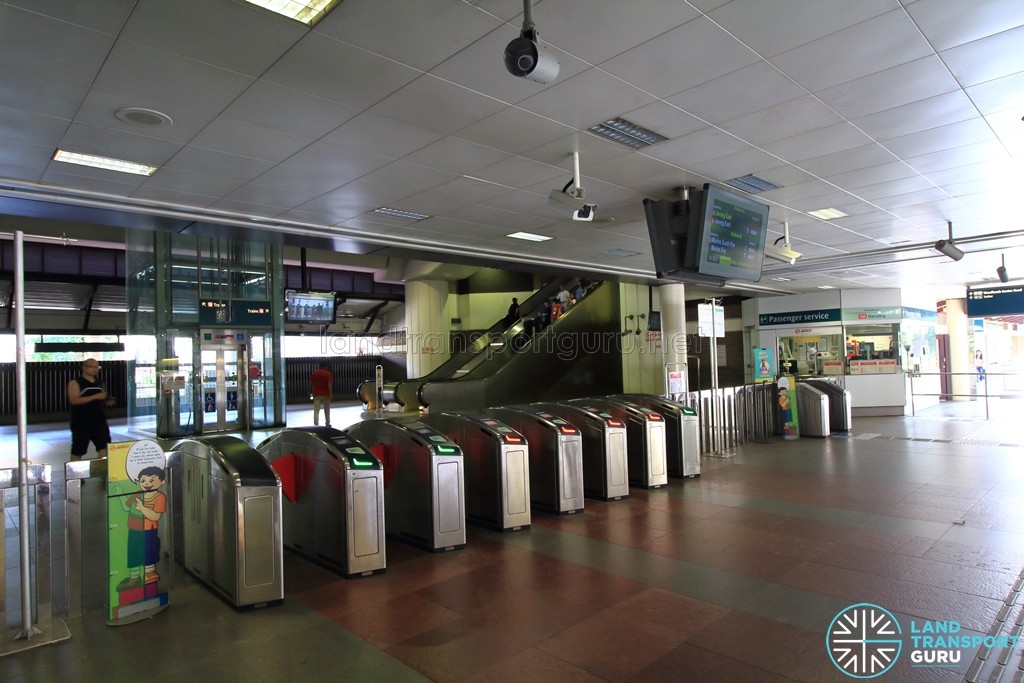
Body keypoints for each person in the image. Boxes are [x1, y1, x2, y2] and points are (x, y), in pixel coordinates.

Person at [119, 466, 167, 588]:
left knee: (149, 551)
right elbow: (126, 507)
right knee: (133, 552)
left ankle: (149, 574)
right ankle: (134, 577)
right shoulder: (137, 494)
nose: (146, 484)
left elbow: (156, 516)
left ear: (162, 482)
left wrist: (143, 508)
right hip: (134, 528)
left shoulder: (160, 497)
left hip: (149, 529)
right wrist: (118, 493)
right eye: (143, 480)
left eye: (151, 481)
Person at [67, 358, 115, 460]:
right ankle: (77, 474)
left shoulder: (100, 383)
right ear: (84, 368)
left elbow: (101, 397)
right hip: (81, 421)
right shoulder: (75, 383)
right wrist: (95, 396)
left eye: (97, 367)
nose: (95, 369)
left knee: (105, 448)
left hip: (99, 419)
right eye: (91, 367)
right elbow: (74, 400)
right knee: (78, 450)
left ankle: (99, 470)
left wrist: (106, 400)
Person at [310, 361, 333, 427]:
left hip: (316, 394)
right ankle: (327, 423)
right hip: (326, 394)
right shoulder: (327, 373)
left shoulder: (314, 373)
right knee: (327, 410)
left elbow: (312, 384)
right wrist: (330, 393)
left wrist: (313, 391)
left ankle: (316, 424)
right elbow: (329, 384)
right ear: (325, 366)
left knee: (316, 410)